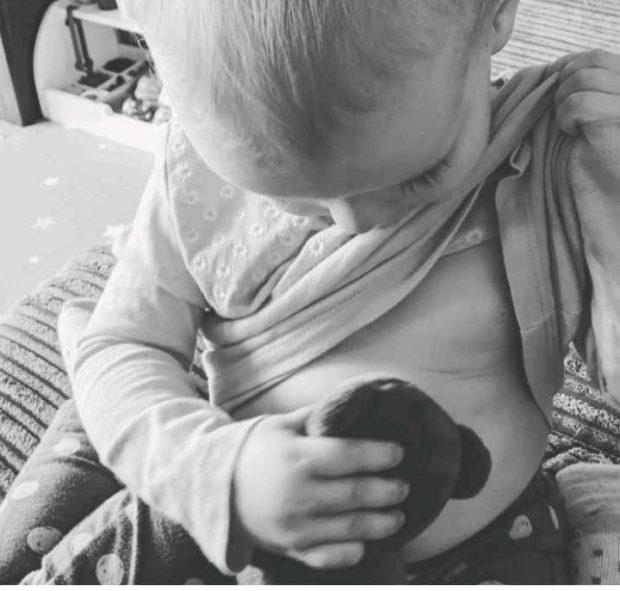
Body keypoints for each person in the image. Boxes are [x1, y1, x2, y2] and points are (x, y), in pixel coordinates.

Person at [1, 0, 620, 584]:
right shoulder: (196, 172)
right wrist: (220, 473)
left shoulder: (547, 152)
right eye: (286, 192)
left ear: (495, 14)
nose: (354, 221)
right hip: (238, 519)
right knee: (96, 455)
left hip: (487, 544)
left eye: (419, 175)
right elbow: (122, 344)